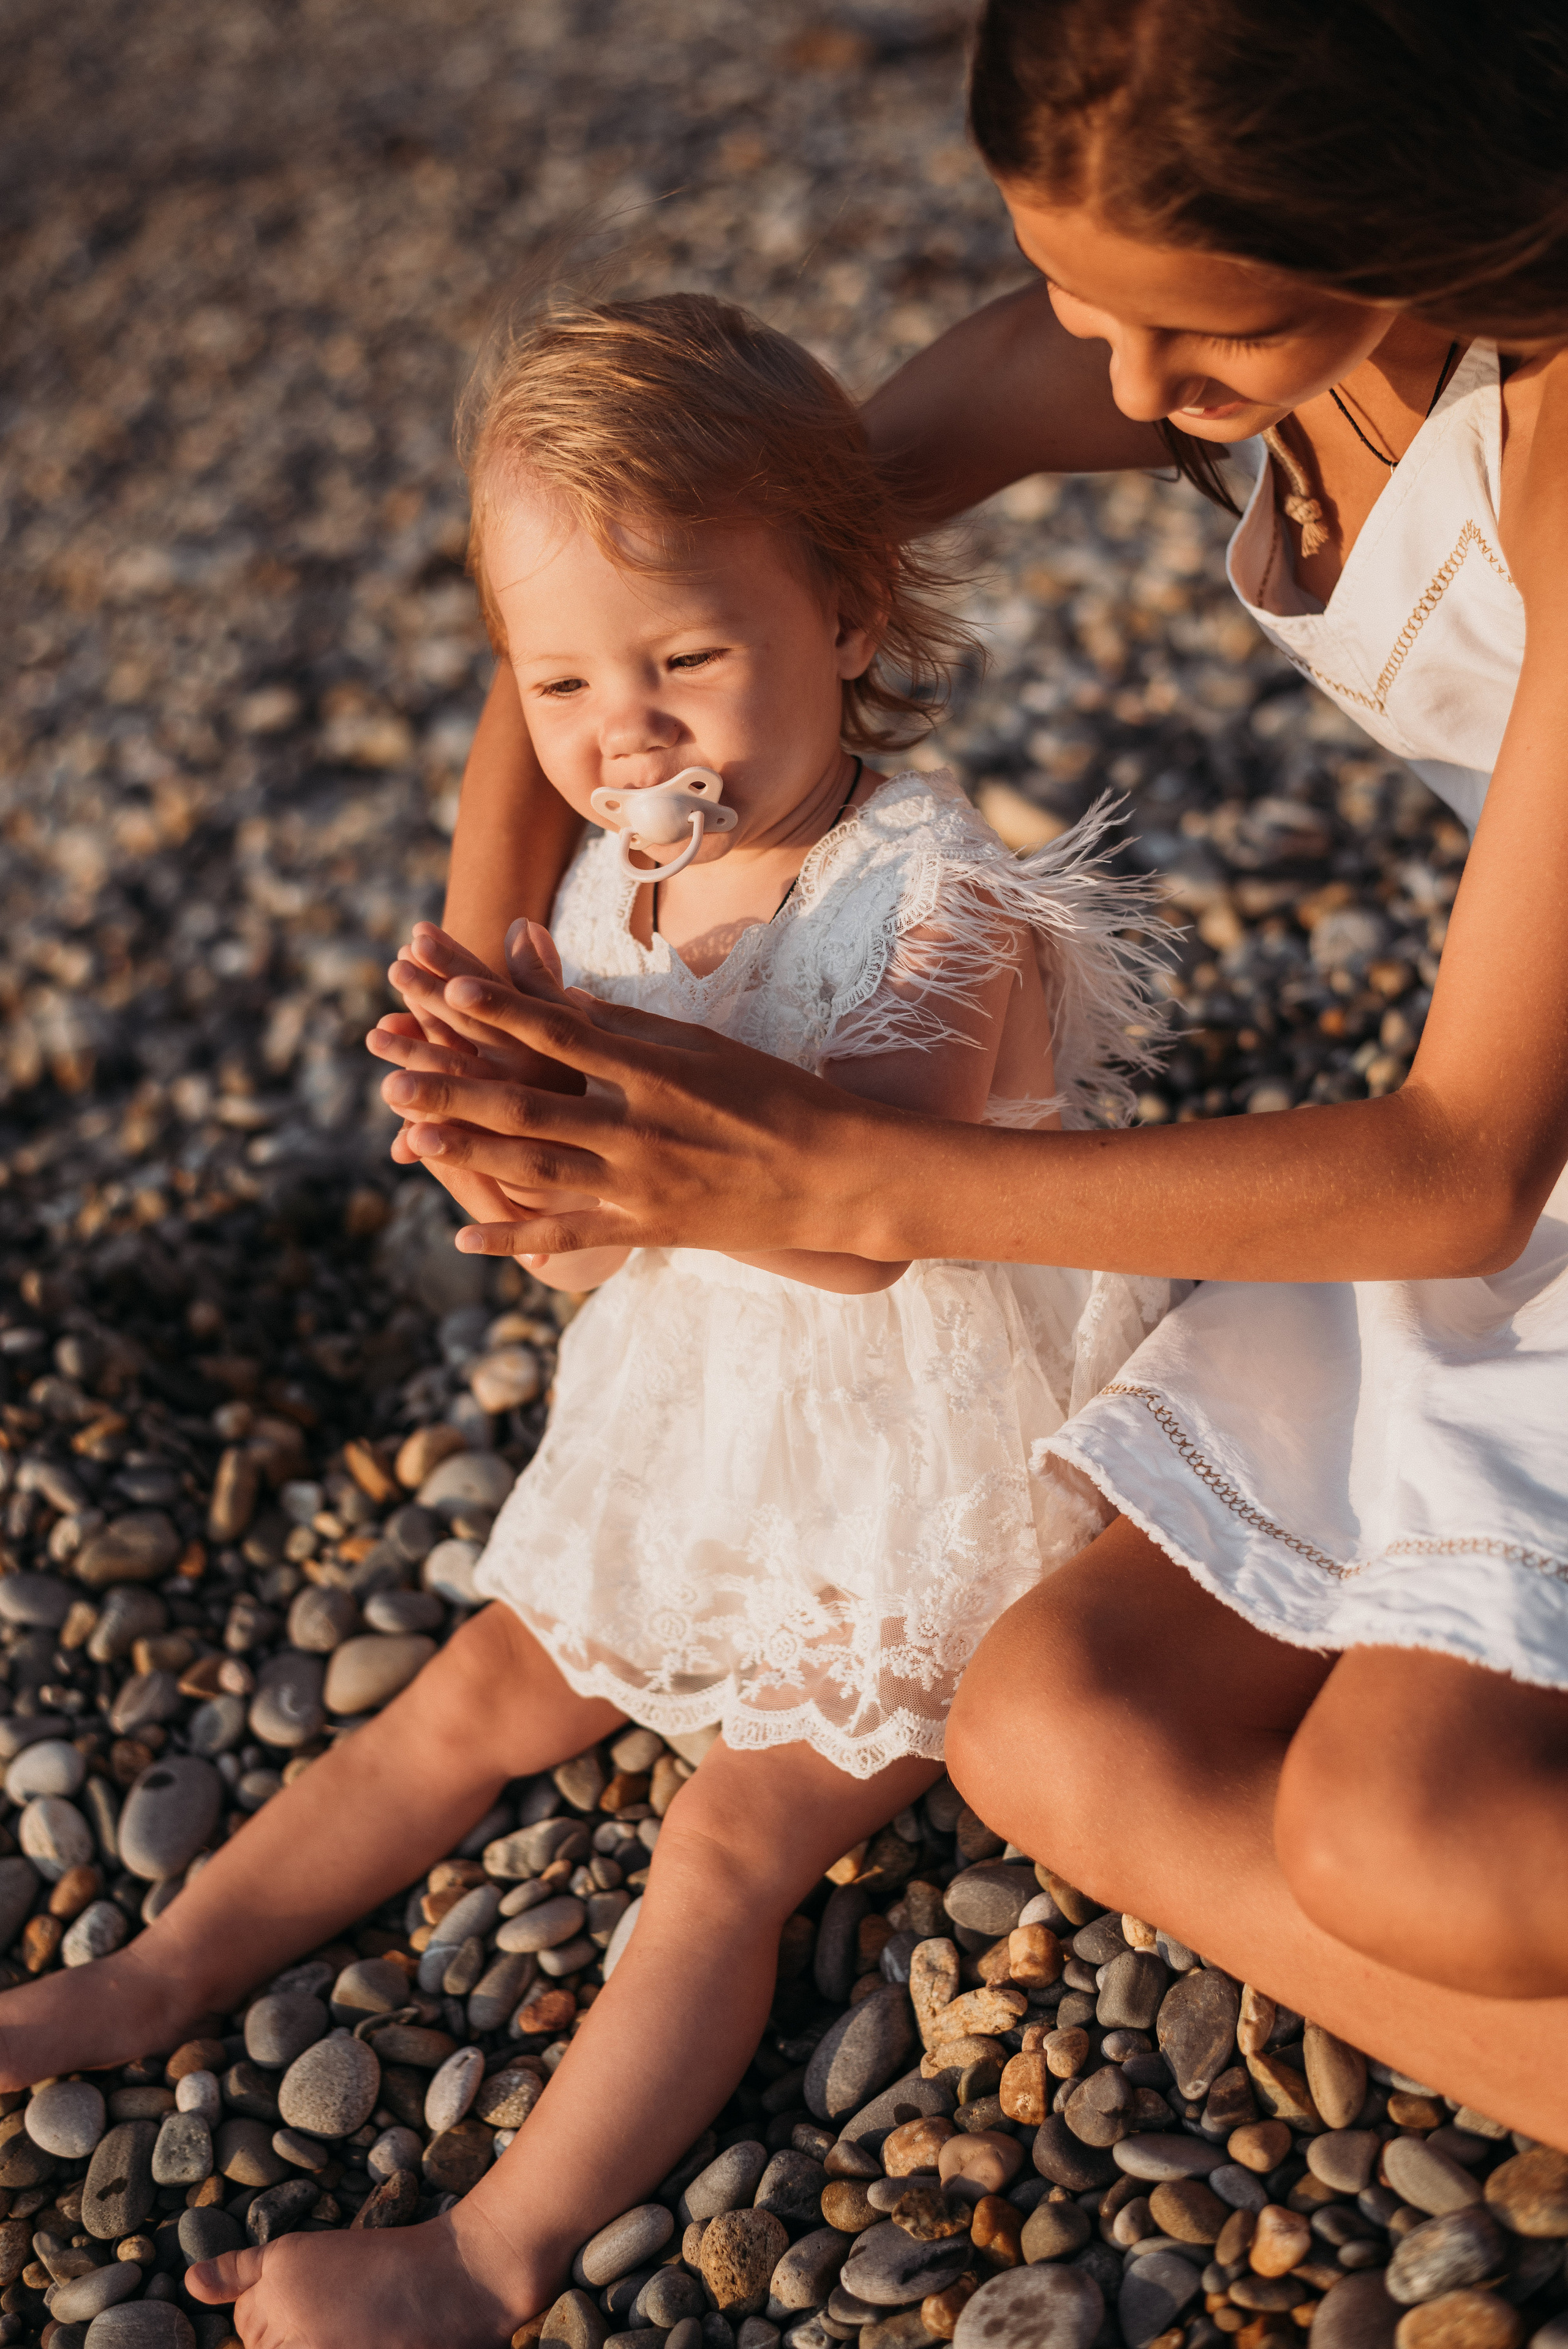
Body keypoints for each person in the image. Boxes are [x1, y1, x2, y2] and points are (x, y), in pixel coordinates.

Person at [375, 0, 1568, 2146]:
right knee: (1054, 1720)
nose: (1120, 393)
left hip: (1500, 1134)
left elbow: (1464, 1165)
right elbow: (635, 551)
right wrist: (493, 990)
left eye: (1200, 342)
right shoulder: (1172, 325)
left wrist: (840, 1176)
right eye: (1075, 295)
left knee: (1411, 1840)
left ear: (1427, 222)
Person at [0, 293, 1176, 2346]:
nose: (623, 736)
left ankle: (493, 2245)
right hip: (700, 1415)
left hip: (916, 1466)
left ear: (853, 618)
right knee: (465, 1692)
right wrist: (514, 1172)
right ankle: (157, 1971)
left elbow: (863, 1227)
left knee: (728, 1829)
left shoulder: (932, 895)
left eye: (686, 661)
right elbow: (588, 1255)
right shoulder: (612, 902)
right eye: (560, 681)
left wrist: (606, 1143)